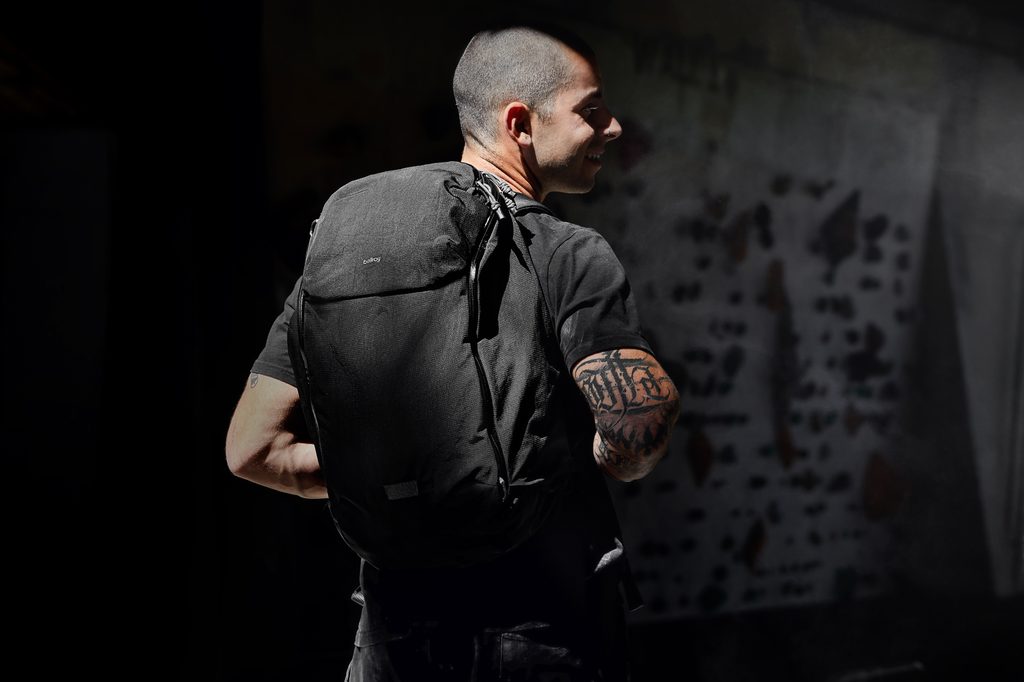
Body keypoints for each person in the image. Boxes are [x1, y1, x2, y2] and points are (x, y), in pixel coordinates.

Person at [226, 23, 680, 681]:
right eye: (591, 109)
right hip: (541, 632)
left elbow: (252, 450)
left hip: (391, 637)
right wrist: (608, 458)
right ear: (520, 123)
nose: (611, 128)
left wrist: (407, 480)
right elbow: (638, 422)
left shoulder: (351, 257)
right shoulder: (565, 252)